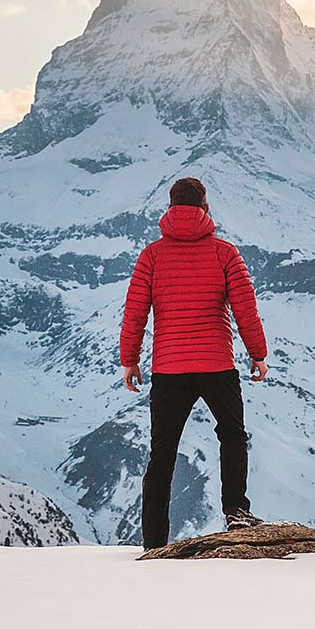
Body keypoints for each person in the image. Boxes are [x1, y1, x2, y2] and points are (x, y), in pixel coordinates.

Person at [120, 176, 269, 549]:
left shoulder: (151, 255)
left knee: (162, 453)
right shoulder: (225, 253)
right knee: (232, 435)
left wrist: (130, 359)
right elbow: (245, 309)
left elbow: (135, 312)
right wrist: (257, 354)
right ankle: (236, 511)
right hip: (216, 364)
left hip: (169, 368)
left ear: (170, 208)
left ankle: (154, 541)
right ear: (205, 207)